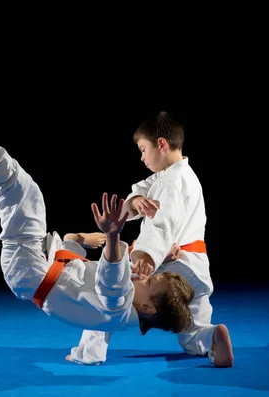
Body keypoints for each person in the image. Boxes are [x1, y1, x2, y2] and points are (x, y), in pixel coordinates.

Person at [0, 70, 196, 343]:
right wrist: (79, 240)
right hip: (38, 264)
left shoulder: (119, 306)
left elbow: (112, 277)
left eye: (149, 283)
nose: (143, 277)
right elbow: (90, 275)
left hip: (30, 269)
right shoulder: (124, 305)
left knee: (18, 187)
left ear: (148, 308)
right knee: (24, 190)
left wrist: (113, 236)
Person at [68, 111, 234, 367]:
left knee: (110, 293)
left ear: (162, 144)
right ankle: (211, 336)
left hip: (166, 264)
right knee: (190, 328)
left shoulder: (172, 181)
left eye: (144, 149)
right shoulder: (177, 176)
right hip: (195, 268)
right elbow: (137, 196)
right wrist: (136, 201)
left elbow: (162, 222)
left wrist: (145, 255)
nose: (142, 157)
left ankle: (89, 353)